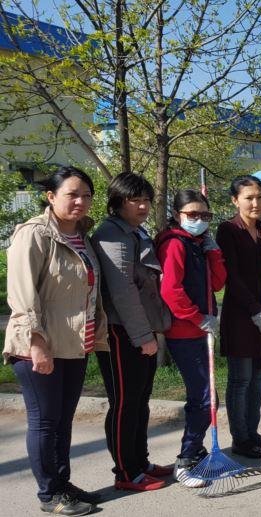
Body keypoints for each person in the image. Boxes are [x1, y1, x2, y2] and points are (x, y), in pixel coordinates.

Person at [5, 167, 108, 515]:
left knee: (63, 421)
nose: (81, 202)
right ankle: (49, 494)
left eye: (87, 195)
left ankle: (62, 483)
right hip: (40, 346)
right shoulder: (33, 234)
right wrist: (36, 344)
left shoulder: (83, 235)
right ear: (51, 196)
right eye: (72, 194)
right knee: (45, 421)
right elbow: (22, 296)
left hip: (75, 344)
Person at [92, 173, 173, 491]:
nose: (142, 205)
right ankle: (126, 472)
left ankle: (140, 461)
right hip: (120, 331)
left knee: (140, 400)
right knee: (124, 403)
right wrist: (143, 337)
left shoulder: (133, 231)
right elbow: (122, 291)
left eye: (146, 199)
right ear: (117, 202)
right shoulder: (112, 233)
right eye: (134, 200)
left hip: (138, 329)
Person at [156, 189, 227, 488]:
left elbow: (219, 281)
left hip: (200, 330)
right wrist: (198, 318)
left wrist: (212, 250)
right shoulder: (174, 244)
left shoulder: (198, 244)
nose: (199, 220)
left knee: (208, 397)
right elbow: (171, 290)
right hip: (185, 332)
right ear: (177, 215)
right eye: (192, 215)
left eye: (204, 215)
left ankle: (196, 451)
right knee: (204, 397)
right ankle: (185, 461)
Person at [216, 175, 261, 459]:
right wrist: (254, 310)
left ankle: (253, 433)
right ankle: (240, 438)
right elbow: (231, 276)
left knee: (259, 377)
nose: (255, 203)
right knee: (240, 379)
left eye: (260, 197)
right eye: (249, 198)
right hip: (242, 313)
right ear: (235, 200)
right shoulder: (228, 230)